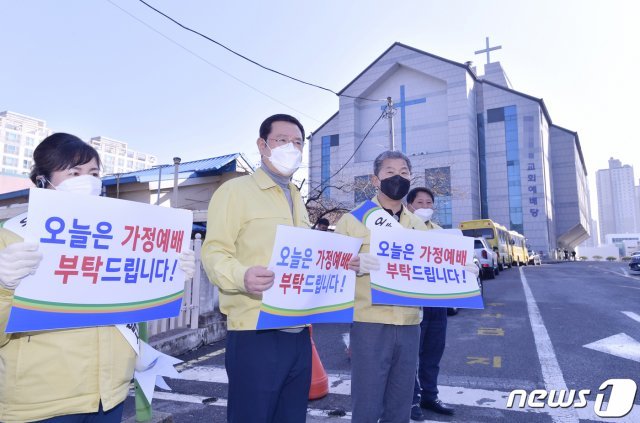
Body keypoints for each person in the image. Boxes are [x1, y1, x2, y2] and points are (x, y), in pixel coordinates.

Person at [0, 133, 196, 422]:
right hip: (40, 403)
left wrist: (171, 273)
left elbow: (133, 304)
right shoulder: (10, 236)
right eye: (74, 172)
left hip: (111, 395)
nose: (87, 181)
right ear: (42, 180)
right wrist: (4, 287)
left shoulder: (117, 236)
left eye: (93, 173)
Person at [201, 114, 312, 423]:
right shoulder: (234, 192)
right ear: (262, 145)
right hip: (255, 330)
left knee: (291, 417)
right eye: (282, 140)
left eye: (298, 143)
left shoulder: (296, 197)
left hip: (299, 330)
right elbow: (213, 253)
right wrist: (242, 276)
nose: (291, 147)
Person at [334, 151, 429, 423]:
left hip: (410, 323)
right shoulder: (353, 220)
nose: (397, 177)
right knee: (366, 403)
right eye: (389, 172)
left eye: (404, 172)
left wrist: (461, 271)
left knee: (401, 404)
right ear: (376, 180)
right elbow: (329, 267)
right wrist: (348, 263)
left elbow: (431, 271)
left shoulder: (419, 227)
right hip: (369, 322)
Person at [406, 187, 455, 420]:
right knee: (412, 356)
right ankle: (412, 400)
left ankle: (430, 396)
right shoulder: (401, 231)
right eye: (419, 202)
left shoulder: (441, 233)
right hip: (413, 303)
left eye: (429, 203)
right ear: (409, 205)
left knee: (433, 354)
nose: (425, 207)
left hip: (438, 303)